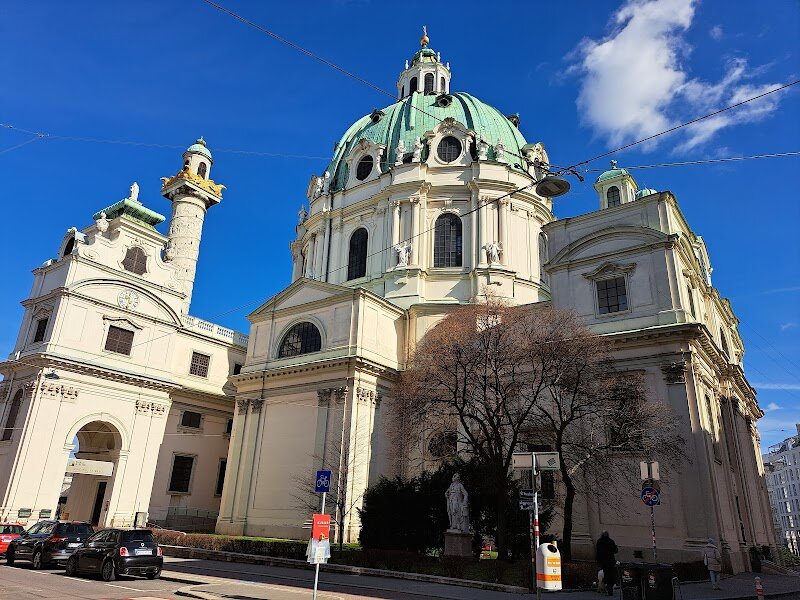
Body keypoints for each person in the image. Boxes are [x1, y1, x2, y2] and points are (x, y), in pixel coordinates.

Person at [596, 531, 619, 596]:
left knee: (606, 575)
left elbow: (598, 552)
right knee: (611, 575)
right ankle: (610, 588)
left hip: (604, 562)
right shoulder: (611, 541)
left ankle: (607, 588)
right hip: (611, 561)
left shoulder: (599, 541)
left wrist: (598, 561)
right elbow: (616, 550)